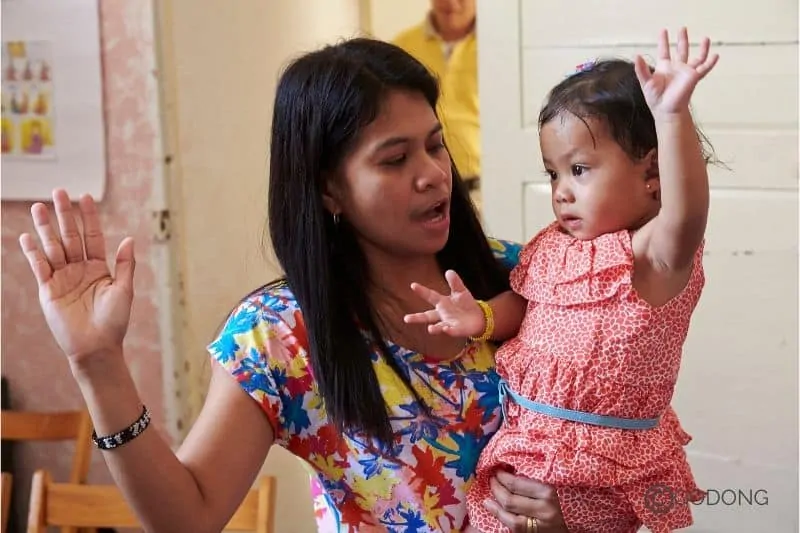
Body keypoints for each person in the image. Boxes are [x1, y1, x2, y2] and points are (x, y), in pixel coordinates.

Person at [18, 38, 568, 532]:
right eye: (395, 159)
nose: (432, 173)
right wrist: (97, 363)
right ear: (328, 189)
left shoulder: (525, 278)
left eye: (434, 144)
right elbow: (187, 516)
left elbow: (619, 428)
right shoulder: (282, 334)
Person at [404, 28, 719, 533]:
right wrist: (481, 317)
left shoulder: (655, 258)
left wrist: (673, 117)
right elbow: (528, 310)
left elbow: (687, 215)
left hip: (598, 476)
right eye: (553, 174)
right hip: (521, 449)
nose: (562, 191)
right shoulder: (554, 246)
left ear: (652, 173)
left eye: (579, 169)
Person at [392, 0, 481, 195]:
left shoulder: (497, 47)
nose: (450, 3)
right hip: (419, 185)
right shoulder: (401, 46)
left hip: (483, 187)